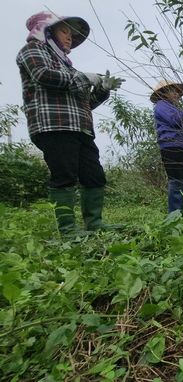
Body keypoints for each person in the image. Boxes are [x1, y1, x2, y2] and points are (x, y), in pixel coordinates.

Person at [16, 11, 125, 236]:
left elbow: (85, 103)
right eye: (65, 31)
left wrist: (102, 90)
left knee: (94, 175)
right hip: (54, 125)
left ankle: (94, 222)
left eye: (72, 35)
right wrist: (86, 78)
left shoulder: (68, 66)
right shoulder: (32, 51)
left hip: (81, 128)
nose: (70, 37)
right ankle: (67, 229)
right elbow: (44, 76)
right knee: (64, 175)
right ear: (46, 31)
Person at [150, 80, 183, 215]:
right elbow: (176, 121)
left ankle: (179, 213)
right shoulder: (161, 106)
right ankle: (175, 215)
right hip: (171, 146)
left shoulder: (174, 109)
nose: (177, 94)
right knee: (177, 181)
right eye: (173, 91)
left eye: (178, 91)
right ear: (164, 93)